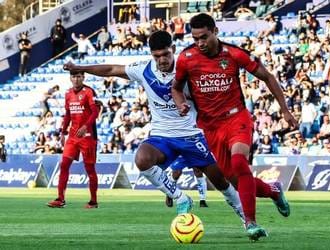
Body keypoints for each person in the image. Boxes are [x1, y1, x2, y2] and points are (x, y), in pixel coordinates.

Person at [62, 31, 245, 224]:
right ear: (151, 54)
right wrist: (80, 67)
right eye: (157, 56)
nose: (162, 60)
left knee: (220, 181)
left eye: (166, 54)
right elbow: (111, 70)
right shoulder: (143, 69)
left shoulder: (189, 68)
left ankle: (247, 218)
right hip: (161, 135)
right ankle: (181, 198)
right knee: (142, 159)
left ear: (173, 50)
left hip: (193, 134)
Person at [172, 13, 298, 241]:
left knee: (240, 162)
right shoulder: (186, 58)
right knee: (236, 180)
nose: (200, 43)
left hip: (236, 118)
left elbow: (267, 77)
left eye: (204, 37)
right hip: (210, 126)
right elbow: (176, 88)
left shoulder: (233, 53)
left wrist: (285, 110)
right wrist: (180, 103)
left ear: (215, 32)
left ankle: (250, 222)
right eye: (195, 38)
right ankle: (273, 190)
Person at [47, 70, 100, 209]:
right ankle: (60, 199)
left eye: (79, 76)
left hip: (88, 137)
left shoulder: (89, 92)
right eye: (74, 76)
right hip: (72, 136)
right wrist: (63, 132)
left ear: (83, 77)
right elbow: (68, 114)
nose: (76, 79)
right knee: (64, 165)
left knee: (89, 169)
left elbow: (95, 112)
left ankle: (93, 201)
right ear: (70, 78)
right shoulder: (68, 93)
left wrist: (85, 127)